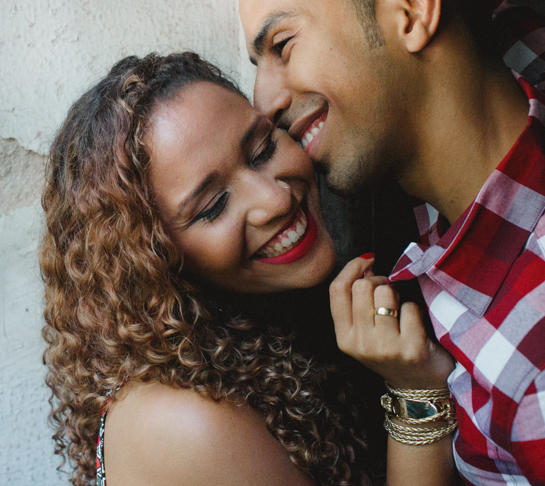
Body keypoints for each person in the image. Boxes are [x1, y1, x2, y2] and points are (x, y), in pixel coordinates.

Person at [4, 0, 545, 484]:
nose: (270, 99)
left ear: (412, 13)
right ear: (153, 252)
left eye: (281, 45)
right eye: (210, 203)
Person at [41, 52, 459, 486]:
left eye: (263, 149)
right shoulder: (186, 423)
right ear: (152, 260)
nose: (275, 200)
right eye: (214, 206)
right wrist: (416, 396)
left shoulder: (254, 337)